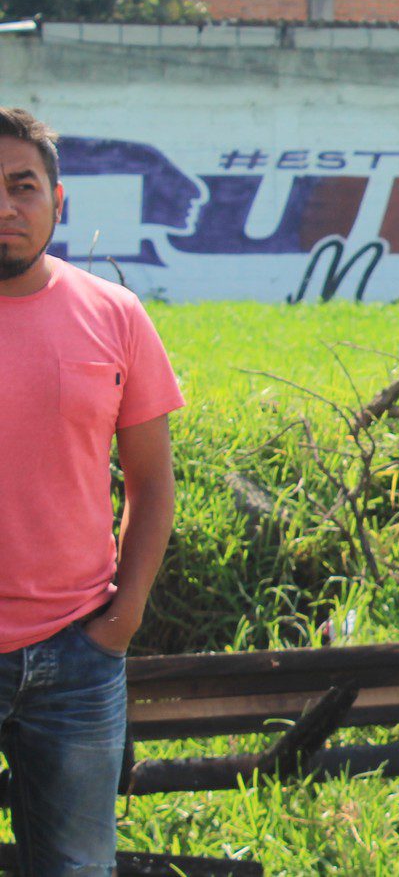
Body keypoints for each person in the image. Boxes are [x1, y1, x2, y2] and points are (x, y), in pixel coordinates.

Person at [0, 106, 182, 876]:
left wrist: (125, 612)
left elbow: (151, 480)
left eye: (23, 187)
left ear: (58, 200)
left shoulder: (115, 316)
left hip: (76, 654)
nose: (6, 208)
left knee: (76, 867)